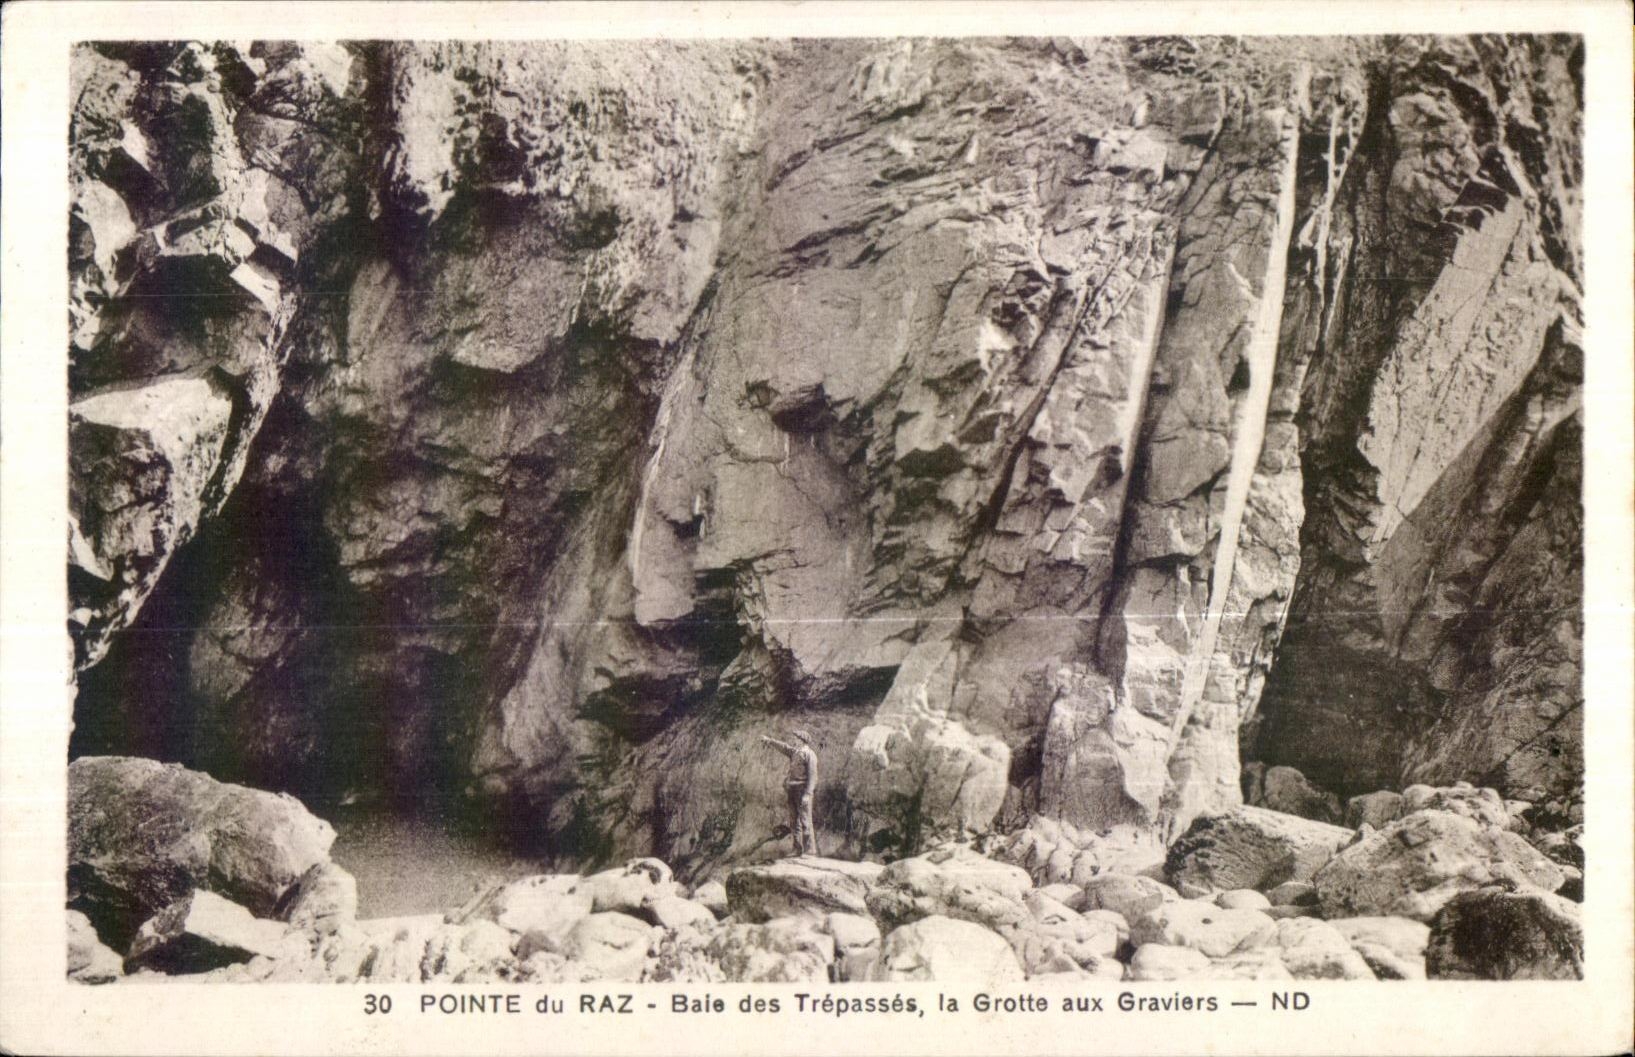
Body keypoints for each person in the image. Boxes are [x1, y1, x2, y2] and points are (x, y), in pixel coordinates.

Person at [760, 729, 818, 857]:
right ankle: (797, 849)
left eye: (796, 738)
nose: (794, 740)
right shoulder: (795, 752)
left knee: (805, 821)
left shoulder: (810, 754)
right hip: (792, 790)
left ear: (802, 740)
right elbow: (784, 747)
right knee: (794, 821)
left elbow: (813, 777)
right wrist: (770, 741)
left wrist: (808, 794)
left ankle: (810, 850)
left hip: (803, 791)